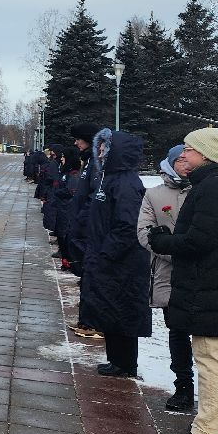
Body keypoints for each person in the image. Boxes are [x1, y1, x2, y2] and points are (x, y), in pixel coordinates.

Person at [148, 128, 218, 434]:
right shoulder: (217, 184)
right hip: (216, 283)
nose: (183, 155)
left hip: (207, 285)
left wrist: (163, 242)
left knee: (210, 358)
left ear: (206, 153)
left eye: (189, 149)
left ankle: (208, 433)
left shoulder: (212, 188)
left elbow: (199, 241)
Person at [79, 129, 150, 378]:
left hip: (121, 262)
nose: (98, 151)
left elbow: (127, 225)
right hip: (105, 257)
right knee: (109, 310)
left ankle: (126, 363)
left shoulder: (126, 183)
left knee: (122, 310)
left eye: (104, 147)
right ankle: (116, 360)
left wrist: (106, 253)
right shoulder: (108, 179)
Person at [138, 144, 194, 412]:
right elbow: (144, 232)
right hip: (169, 273)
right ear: (171, 163)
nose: (186, 163)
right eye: (180, 159)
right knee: (178, 331)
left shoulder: (204, 191)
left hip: (200, 274)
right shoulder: (154, 195)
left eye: (189, 158)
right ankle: (183, 385)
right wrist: (172, 251)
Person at [65, 123, 104, 339]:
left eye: (79, 138)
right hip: (81, 226)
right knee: (86, 277)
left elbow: (92, 197)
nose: (75, 142)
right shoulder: (90, 161)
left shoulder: (96, 163)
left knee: (91, 277)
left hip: (88, 228)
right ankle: (87, 321)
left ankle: (91, 323)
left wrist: (81, 220)